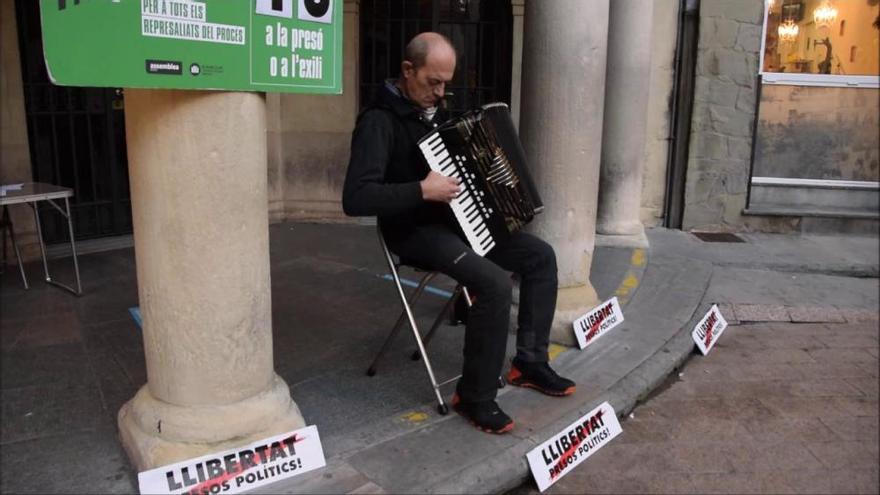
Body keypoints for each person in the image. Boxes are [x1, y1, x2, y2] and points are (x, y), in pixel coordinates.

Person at [342, 32, 575, 434]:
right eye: (433, 81)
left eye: (446, 82)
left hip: (461, 223)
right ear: (407, 71)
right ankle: (474, 397)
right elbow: (356, 198)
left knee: (540, 256)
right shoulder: (378, 122)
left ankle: (530, 363)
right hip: (414, 231)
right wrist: (421, 190)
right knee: (495, 283)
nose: (441, 91)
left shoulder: (439, 112)